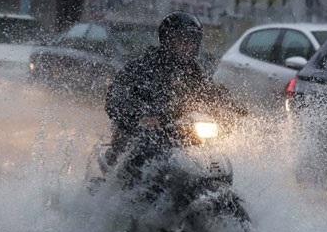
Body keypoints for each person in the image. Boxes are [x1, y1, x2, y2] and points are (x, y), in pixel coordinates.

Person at [104, 11, 246, 180]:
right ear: (167, 41)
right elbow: (116, 96)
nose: (188, 47)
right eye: (182, 41)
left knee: (209, 153)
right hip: (142, 133)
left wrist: (234, 109)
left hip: (178, 132)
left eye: (192, 42)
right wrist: (140, 115)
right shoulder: (142, 66)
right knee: (143, 156)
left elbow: (210, 92)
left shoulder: (193, 71)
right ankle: (131, 198)